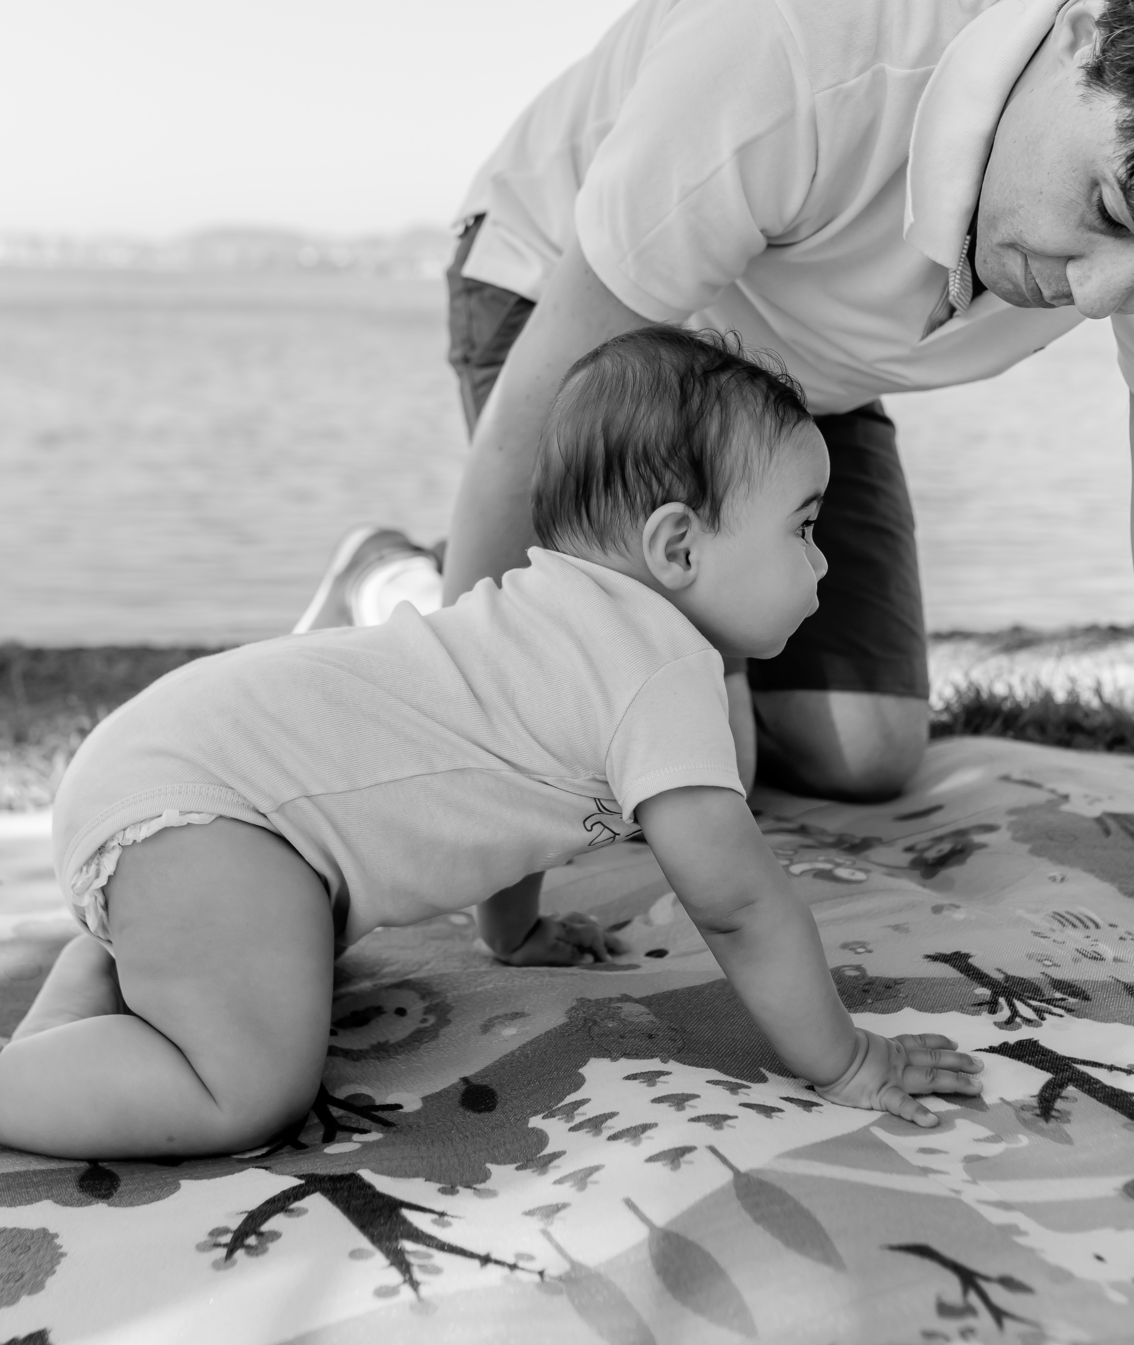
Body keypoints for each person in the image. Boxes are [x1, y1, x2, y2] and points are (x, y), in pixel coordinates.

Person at [301, 0, 1134, 832]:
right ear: (1083, 34)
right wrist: (465, 753)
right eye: (1110, 213)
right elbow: (538, 414)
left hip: (794, 378)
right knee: (682, 764)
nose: (1100, 299)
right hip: (572, 305)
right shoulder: (805, 20)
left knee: (866, 753)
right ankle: (395, 584)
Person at [0, 330, 983, 1161]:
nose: (824, 562)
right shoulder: (663, 665)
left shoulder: (561, 620)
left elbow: (513, 789)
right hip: (207, 813)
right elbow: (740, 906)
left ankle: (96, 987)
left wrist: (512, 934)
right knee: (248, 1089)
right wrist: (847, 1061)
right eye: (804, 528)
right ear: (679, 546)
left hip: (175, 774)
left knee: (286, 966)